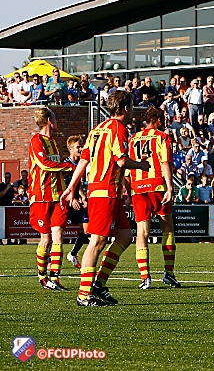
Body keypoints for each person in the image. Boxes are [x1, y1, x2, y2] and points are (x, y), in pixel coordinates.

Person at [61, 91, 150, 307]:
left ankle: (98, 283)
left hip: (106, 192)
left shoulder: (96, 129)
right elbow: (121, 161)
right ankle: (84, 295)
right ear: (126, 108)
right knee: (97, 242)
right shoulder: (118, 128)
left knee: (125, 236)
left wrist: (72, 187)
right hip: (105, 191)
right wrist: (141, 165)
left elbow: (83, 161)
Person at [129, 107, 180, 290]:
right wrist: (170, 187)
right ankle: (169, 273)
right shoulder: (162, 136)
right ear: (158, 120)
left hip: (138, 188)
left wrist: (129, 189)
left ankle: (145, 277)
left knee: (142, 232)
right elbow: (165, 161)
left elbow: (127, 168)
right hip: (157, 185)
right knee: (167, 229)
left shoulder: (133, 138)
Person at [29, 108, 75, 290]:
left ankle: (54, 278)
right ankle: (42, 277)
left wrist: (67, 191)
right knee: (46, 239)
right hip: (41, 196)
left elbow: (57, 170)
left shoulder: (53, 143)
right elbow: (44, 164)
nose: (57, 120)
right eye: (54, 117)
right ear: (48, 120)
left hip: (57, 196)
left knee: (58, 236)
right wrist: (68, 167)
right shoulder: (36, 140)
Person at [64, 135, 90, 269]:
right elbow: (65, 186)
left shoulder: (80, 164)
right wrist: (72, 198)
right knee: (56, 232)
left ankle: (73, 253)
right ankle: (51, 261)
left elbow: (77, 184)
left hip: (74, 201)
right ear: (70, 149)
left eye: (81, 146)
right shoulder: (65, 165)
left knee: (88, 228)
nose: (80, 149)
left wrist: (82, 196)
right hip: (64, 203)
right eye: (78, 147)